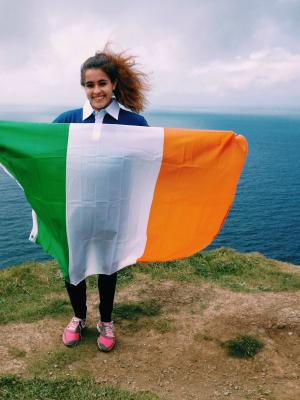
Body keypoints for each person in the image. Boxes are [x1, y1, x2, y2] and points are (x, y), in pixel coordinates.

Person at [53, 45, 150, 352]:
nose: (96, 91)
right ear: (84, 87)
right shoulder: (67, 119)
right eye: (90, 85)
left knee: (108, 267)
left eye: (102, 84)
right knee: (73, 265)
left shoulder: (134, 124)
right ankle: (79, 316)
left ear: (113, 85)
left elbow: (154, 160)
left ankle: (105, 321)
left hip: (113, 209)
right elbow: (41, 153)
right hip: (74, 208)